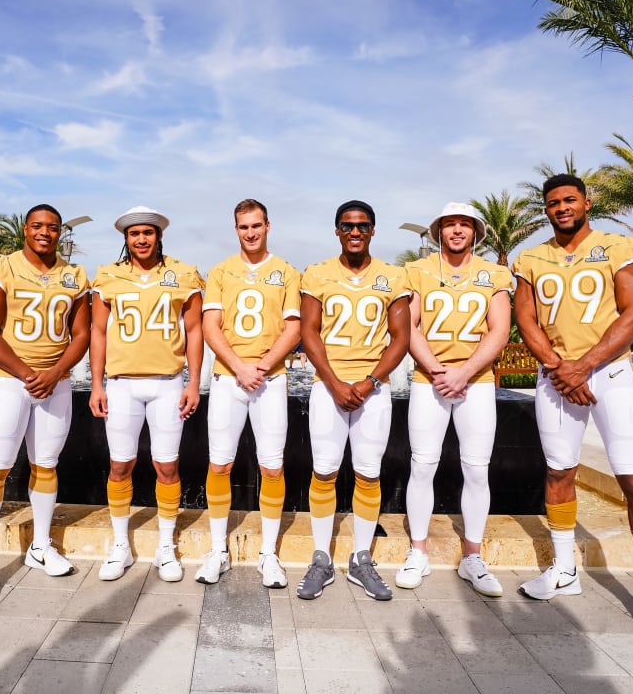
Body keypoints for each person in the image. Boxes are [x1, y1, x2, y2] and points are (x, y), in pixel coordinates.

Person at [511, 174, 633, 657]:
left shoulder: (617, 245)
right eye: (553, 203)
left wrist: (584, 366)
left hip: (608, 377)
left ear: (586, 202)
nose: (562, 208)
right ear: (545, 210)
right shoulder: (530, 258)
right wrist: (557, 366)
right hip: (556, 379)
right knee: (558, 473)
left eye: (569, 200)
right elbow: (525, 317)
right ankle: (565, 570)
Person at [0, 204, 92, 603]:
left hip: (53, 385)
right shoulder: (3, 268)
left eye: (52, 227)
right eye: (38, 226)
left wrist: (54, 373)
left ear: (60, 233)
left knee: (46, 465)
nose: (45, 233)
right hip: (10, 381)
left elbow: (81, 334)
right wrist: (26, 373)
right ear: (26, 228)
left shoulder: (74, 275)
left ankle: (40, 546)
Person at [396, 202, 512, 594]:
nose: (457, 230)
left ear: (475, 231)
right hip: (429, 380)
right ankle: (418, 552)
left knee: (477, 469)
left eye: (464, 224)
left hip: (476, 381)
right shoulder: (418, 270)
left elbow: (499, 330)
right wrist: (438, 370)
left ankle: (473, 557)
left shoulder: (494, 273)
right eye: (450, 224)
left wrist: (463, 372)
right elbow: (408, 326)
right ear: (438, 231)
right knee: (423, 464)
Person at [297, 200, 410, 601]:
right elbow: (309, 332)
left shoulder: (392, 276)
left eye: (362, 225)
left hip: (372, 390)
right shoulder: (317, 273)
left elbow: (401, 337)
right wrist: (332, 381)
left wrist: (369, 380)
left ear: (373, 230)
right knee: (324, 470)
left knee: (368, 472)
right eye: (347, 225)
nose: (355, 231)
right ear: (337, 230)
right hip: (329, 387)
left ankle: (361, 559)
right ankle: (321, 558)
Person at [90, 206, 204, 582]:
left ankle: (166, 545)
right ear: (125, 237)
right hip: (122, 383)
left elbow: (194, 331)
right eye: (134, 233)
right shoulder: (107, 275)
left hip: (167, 382)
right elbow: (99, 333)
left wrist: (192, 382)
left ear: (159, 236)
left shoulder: (183, 273)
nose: (141, 239)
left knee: (166, 466)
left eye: (148, 233)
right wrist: (96, 384)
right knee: (120, 464)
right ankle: (120, 543)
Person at [197, 199, 301, 588]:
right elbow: (211, 326)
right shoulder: (220, 271)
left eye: (256, 225)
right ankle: (217, 550)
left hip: (270, 381)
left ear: (268, 226)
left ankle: (269, 552)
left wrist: (261, 366)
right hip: (228, 379)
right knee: (219, 464)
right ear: (236, 229)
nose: (251, 233)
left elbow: (292, 330)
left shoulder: (287, 272)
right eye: (244, 227)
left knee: (271, 466)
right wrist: (240, 367)